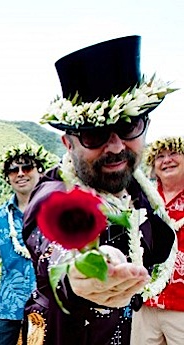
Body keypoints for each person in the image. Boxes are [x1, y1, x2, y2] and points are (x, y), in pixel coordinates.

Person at [22, 35, 176, 344]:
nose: (116, 146)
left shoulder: (138, 191)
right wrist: (80, 273)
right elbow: (51, 243)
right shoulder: (54, 195)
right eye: (95, 135)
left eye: (130, 125)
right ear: (68, 143)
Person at [0, 144, 55, 345]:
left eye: (27, 167)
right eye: (14, 170)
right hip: (8, 309)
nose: (20, 173)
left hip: (50, 307)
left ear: (40, 170)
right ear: (7, 177)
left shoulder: (57, 211)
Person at [131, 136, 184, 345]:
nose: (167, 160)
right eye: (160, 156)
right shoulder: (144, 199)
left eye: (173, 154)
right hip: (146, 302)